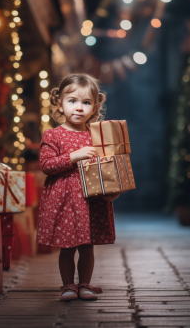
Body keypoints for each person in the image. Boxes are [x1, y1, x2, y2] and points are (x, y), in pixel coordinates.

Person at [36, 73, 119, 301]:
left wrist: (112, 189)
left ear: (94, 107)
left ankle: (85, 285)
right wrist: (74, 155)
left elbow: (107, 167)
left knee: (87, 246)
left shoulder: (98, 137)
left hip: (90, 199)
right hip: (64, 199)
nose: (79, 108)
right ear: (59, 103)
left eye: (86, 102)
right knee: (67, 246)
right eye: (72, 101)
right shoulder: (53, 135)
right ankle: (68, 286)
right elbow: (46, 165)